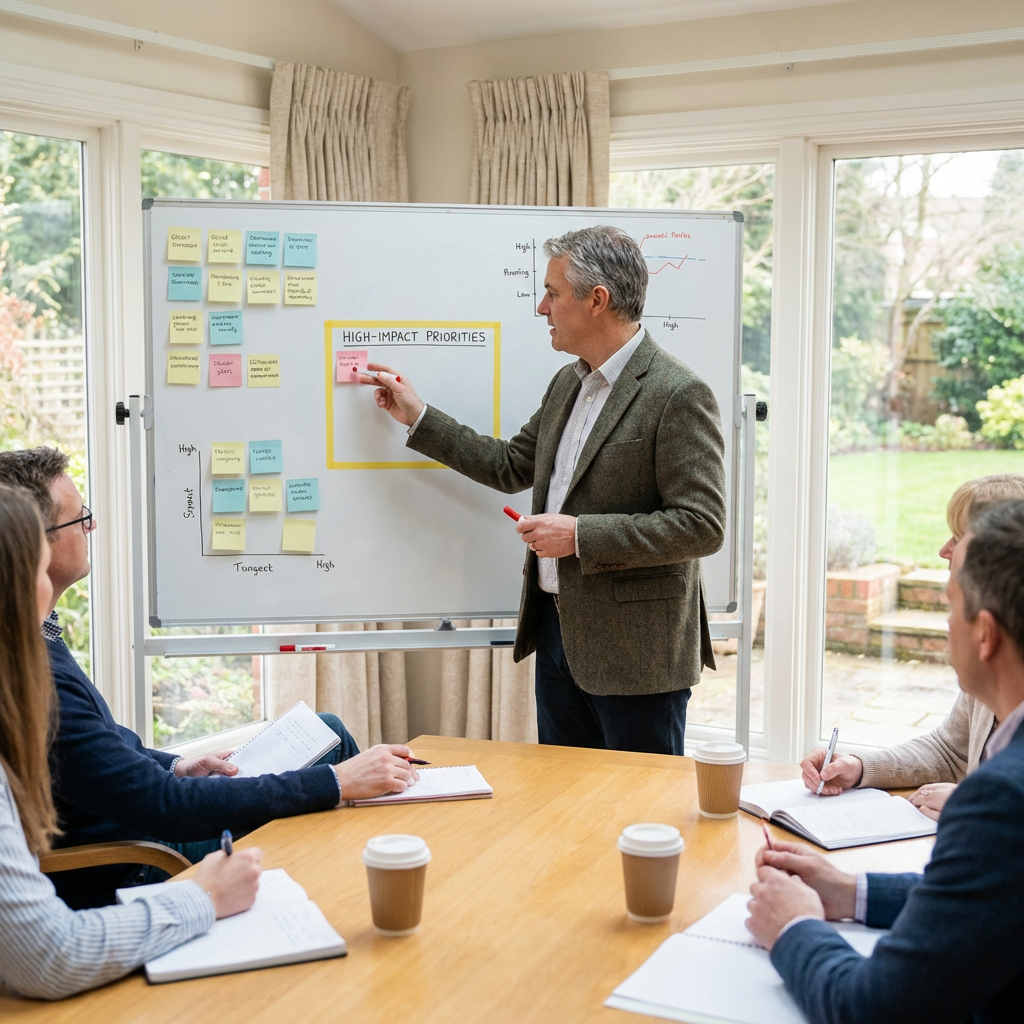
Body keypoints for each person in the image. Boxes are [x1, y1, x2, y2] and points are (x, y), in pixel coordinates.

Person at [0, 447, 419, 910]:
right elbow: (166, 808)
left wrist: (176, 764)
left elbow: (102, 744)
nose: (90, 527)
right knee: (335, 767)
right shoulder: (33, 674)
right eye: (80, 518)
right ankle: (374, 896)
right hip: (138, 860)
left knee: (328, 730)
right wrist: (338, 782)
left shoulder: (35, 635)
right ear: (32, 544)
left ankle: (365, 887)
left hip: (139, 822)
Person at [360, 226, 726, 755]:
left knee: (639, 816)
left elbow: (702, 525)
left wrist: (578, 535)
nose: (541, 307)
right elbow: (510, 465)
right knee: (564, 812)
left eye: (552, 293)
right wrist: (417, 416)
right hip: (558, 641)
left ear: (596, 300)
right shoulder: (567, 384)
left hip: (638, 659)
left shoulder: (677, 393)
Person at [746, 499, 1024, 1023]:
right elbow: (990, 900)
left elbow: (873, 1008)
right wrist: (850, 892)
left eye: (949, 605)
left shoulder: (1001, 798)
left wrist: (793, 926)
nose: (945, 626)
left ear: (986, 634)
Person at [0, 483, 263, 1000]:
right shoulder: (36, 686)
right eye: (35, 565)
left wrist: (173, 766)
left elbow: (116, 752)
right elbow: (49, 955)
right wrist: (202, 896)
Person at [802, 472, 1024, 820]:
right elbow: (950, 750)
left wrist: (970, 804)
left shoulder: (1002, 659)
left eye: (958, 538)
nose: (943, 551)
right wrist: (860, 767)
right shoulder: (991, 669)